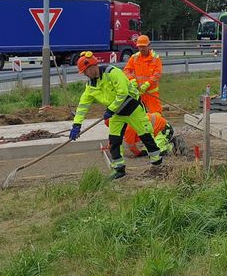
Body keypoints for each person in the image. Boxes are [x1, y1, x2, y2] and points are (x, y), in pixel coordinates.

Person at [71, 51, 164, 179]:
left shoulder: (113, 73)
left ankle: (157, 163)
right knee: (114, 141)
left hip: (132, 108)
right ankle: (119, 169)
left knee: (145, 135)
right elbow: (83, 106)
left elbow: (123, 93)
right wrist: (77, 124)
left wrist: (110, 109)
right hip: (116, 114)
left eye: (85, 71)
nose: (85, 75)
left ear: (92, 67)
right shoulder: (91, 85)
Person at [123, 34, 163, 114]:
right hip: (138, 93)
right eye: (139, 47)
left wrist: (148, 83)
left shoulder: (155, 58)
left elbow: (157, 73)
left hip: (151, 93)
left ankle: (158, 126)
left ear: (149, 46)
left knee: (156, 114)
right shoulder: (134, 57)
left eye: (143, 46)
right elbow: (127, 70)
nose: (141, 49)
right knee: (139, 116)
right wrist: (132, 80)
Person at [111, 110, 176, 158]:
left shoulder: (129, 128)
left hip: (164, 130)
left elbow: (131, 146)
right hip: (155, 132)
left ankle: (172, 144)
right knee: (146, 152)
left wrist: (138, 154)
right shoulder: (128, 119)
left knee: (156, 153)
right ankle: (166, 145)